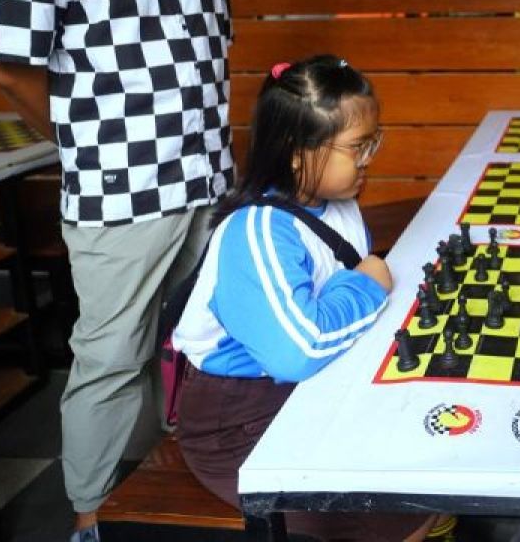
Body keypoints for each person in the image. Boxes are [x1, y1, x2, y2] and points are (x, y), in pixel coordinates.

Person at [0, 0, 231, 541]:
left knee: (187, 348)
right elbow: (9, 68)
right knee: (111, 359)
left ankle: (158, 490)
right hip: (122, 196)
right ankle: (90, 516)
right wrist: (85, 138)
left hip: (203, 182)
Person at [172, 55, 446, 542]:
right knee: (389, 511)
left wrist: (364, 281)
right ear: (298, 152)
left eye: (373, 142)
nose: (369, 159)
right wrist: (366, 284)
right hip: (236, 423)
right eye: (358, 147)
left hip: (299, 394)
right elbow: (300, 350)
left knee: (427, 462)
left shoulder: (337, 205)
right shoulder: (254, 232)